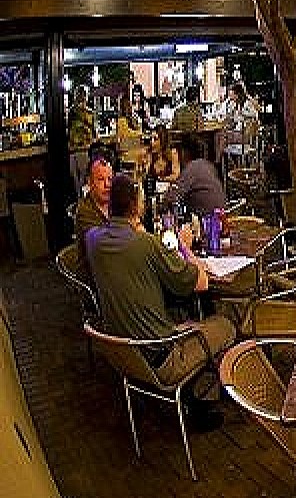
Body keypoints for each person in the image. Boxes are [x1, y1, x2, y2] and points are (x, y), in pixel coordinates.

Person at [85, 173, 232, 426]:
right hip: (161, 358)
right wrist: (184, 246)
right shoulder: (146, 244)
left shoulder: (93, 240)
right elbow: (202, 283)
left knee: (181, 315)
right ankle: (199, 403)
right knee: (226, 325)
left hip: (124, 355)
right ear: (136, 206)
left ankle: (191, 395)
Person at [162, 135, 227, 216]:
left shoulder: (191, 169)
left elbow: (171, 197)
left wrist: (162, 199)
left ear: (184, 153)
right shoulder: (207, 164)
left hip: (210, 218)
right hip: (223, 214)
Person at [74, 156, 113, 268]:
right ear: (90, 183)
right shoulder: (84, 211)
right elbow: (106, 245)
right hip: (93, 271)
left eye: (110, 179)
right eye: (101, 179)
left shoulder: (115, 203)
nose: (107, 185)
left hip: (113, 264)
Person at [68, 85, 96, 192]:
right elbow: (94, 132)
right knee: (84, 181)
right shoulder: (89, 113)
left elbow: (68, 129)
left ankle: (79, 199)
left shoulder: (71, 112)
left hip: (72, 150)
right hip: (84, 149)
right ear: (86, 97)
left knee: (76, 182)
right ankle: (83, 200)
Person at [222, 82, 259, 150]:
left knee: (221, 137)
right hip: (239, 131)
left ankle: (222, 156)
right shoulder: (235, 104)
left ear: (238, 94)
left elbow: (254, 114)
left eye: (232, 95)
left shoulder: (247, 103)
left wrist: (241, 113)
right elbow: (232, 117)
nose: (231, 97)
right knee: (222, 135)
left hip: (244, 135)